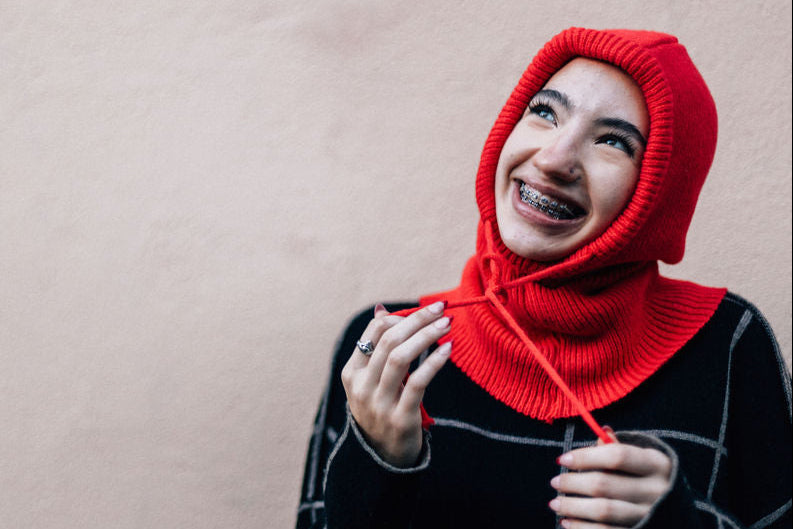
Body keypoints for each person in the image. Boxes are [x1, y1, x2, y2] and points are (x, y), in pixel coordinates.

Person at [296, 27, 792, 528]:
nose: (554, 160)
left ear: (660, 194)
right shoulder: (389, 355)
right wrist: (377, 465)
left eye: (613, 142)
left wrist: (676, 522)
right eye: (545, 112)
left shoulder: (729, 345)